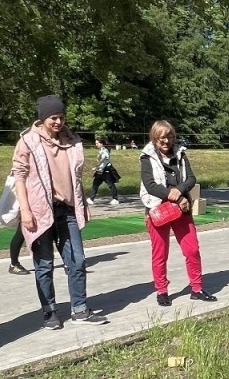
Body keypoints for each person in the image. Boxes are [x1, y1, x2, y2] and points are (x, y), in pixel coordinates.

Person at [13, 95, 107, 330]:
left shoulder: (73, 141)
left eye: (61, 117)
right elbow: (19, 175)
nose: (58, 122)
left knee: (77, 260)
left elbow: (75, 178)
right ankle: (50, 312)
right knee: (44, 264)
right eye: (53, 117)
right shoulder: (28, 141)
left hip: (67, 210)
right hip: (39, 211)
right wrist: (25, 210)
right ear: (43, 117)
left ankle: (80, 308)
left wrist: (82, 204)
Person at [139, 120, 217, 307]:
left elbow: (191, 178)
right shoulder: (146, 157)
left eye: (169, 137)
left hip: (182, 209)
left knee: (192, 249)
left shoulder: (181, 154)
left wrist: (180, 190)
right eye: (161, 138)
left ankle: (197, 289)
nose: (166, 141)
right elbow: (149, 185)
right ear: (154, 139)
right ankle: (162, 291)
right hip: (158, 209)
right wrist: (173, 196)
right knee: (160, 253)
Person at [90, 137, 122, 204]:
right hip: (100, 171)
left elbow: (103, 160)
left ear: (101, 143)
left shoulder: (105, 151)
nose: (96, 144)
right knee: (95, 185)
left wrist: (96, 167)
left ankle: (115, 199)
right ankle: (91, 199)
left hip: (106, 171)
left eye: (97, 143)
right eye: (95, 143)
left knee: (110, 185)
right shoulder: (100, 151)